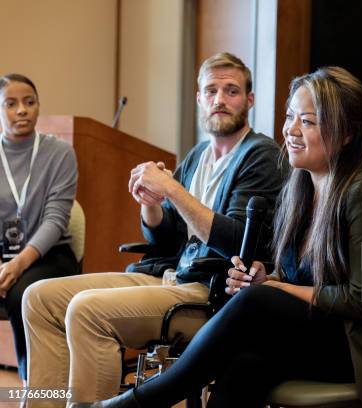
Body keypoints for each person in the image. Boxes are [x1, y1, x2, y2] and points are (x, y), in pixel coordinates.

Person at [76, 66, 362, 408]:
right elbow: (306, 279)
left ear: (346, 133)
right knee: (245, 365)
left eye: (308, 121)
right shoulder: (301, 186)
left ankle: (140, 402)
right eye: (289, 117)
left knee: (257, 304)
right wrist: (269, 280)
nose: (291, 130)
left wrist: (274, 291)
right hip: (335, 335)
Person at [22, 52, 286, 406]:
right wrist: (149, 202)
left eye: (231, 91)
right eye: (210, 91)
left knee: (86, 309)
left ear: (250, 100)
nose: (219, 100)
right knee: (39, 298)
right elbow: (165, 238)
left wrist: (172, 190)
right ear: (198, 99)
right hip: (168, 275)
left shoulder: (261, 155)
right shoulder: (197, 156)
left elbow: (236, 240)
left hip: (210, 292)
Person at [0, 73, 79, 382]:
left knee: (23, 292)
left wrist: (16, 265)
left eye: (29, 102)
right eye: (11, 104)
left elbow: (56, 220)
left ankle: (36, 388)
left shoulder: (59, 153)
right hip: (3, 256)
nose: (22, 110)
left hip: (49, 255)